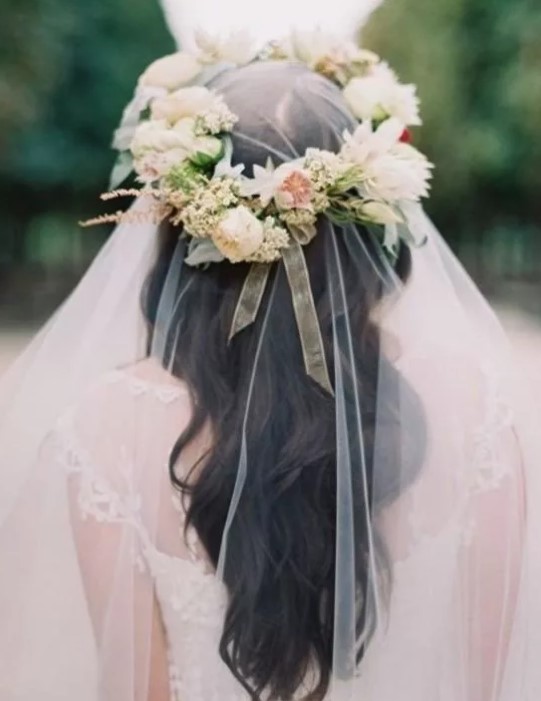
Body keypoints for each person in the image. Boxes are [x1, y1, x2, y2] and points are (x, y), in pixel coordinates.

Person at [0, 30, 539, 701]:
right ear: (370, 226)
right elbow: (493, 679)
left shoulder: (111, 426)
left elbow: (135, 690)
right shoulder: (477, 411)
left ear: (182, 226)